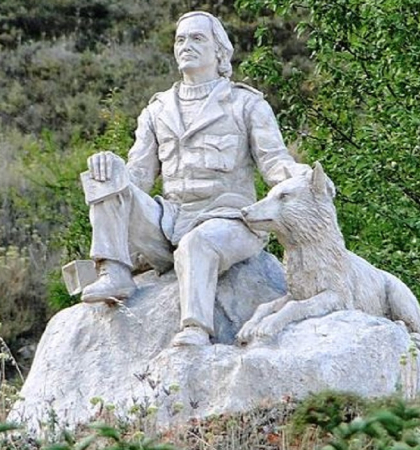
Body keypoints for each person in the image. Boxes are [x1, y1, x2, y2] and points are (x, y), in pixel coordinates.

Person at [82, 11, 309, 346]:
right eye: (180, 39)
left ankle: (195, 328)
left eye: (197, 38)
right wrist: (112, 169)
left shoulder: (246, 104)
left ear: (220, 52)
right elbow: (138, 175)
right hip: (169, 221)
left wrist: (300, 176)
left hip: (229, 220)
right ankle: (115, 273)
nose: (186, 45)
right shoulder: (157, 110)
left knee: (197, 244)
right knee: (105, 173)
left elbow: (275, 162)